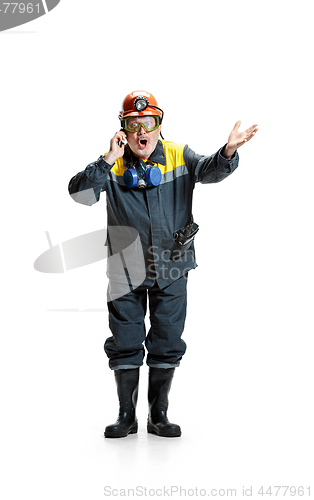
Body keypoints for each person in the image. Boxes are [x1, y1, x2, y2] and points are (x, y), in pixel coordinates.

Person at [68, 90, 258, 438]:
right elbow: (80, 195)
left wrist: (228, 150)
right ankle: (127, 415)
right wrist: (109, 158)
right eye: (133, 123)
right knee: (125, 339)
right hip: (125, 270)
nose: (142, 130)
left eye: (149, 123)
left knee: (167, 340)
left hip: (172, 265)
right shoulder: (111, 162)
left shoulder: (177, 154)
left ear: (159, 125)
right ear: (123, 128)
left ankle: (159, 413)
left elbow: (209, 171)